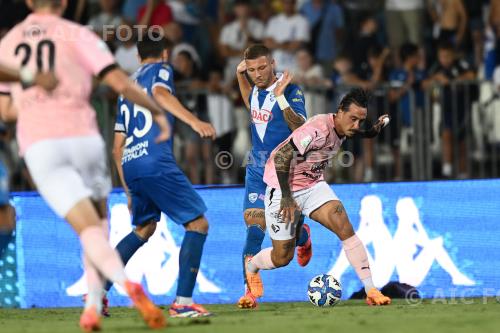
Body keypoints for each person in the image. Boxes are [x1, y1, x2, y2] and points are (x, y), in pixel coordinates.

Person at [0, 0, 171, 330]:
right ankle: (93, 306)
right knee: (99, 222)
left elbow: (5, 112)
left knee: (87, 230)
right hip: (84, 138)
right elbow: (120, 83)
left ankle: (123, 285)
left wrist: (31, 98)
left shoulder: (9, 42)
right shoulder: (77, 33)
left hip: (41, 144)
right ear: (64, 3)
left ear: (29, 3)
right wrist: (159, 113)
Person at [245, 88, 392, 306]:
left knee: (344, 226)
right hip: (282, 186)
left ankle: (371, 290)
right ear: (339, 111)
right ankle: (252, 266)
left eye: (360, 121)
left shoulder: (343, 127)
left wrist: (368, 132)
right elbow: (283, 157)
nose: (356, 126)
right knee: (282, 257)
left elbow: (351, 130)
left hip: (313, 185)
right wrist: (286, 197)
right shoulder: (317, 130)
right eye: (353, 119)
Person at [111, 32, 217, 318]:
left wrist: (128, 190)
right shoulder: (161, 69)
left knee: (144, 229)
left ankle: (96, 291)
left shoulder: (126, 87)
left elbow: (116, 148)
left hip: (131, 164)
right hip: (154, 161)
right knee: (198, 225)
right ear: (165, 54)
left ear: (137, 56)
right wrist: (195, 121)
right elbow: (160, 93)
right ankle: (182, 302)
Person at [235, 44, 312, 309]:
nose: (257, 74)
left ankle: (303, 237)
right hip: (257, 167)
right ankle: (249, 292)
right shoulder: (254, 87)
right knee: (255, 228)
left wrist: (280, 97)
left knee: (287, 241)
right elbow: (249, 102)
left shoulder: (290, 90)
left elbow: (301, 127)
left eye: (262, 67)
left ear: (273, 63)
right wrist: (238, 76)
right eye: (252, 69)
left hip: (286, 170)